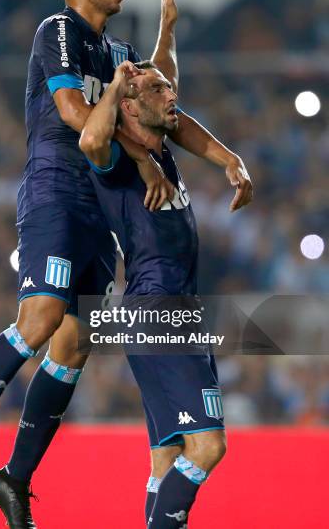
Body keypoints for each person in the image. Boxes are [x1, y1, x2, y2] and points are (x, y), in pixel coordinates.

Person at [0, 0, 178, 526]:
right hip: (56, 191)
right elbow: (71, 112)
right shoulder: (57, 31)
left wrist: (167, 29)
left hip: (102, 207)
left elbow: (160, 92)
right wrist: (141, 159)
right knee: (40, 319)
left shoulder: (118, 49)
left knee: (74, 341)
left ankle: (13, 476)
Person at [79, 60, 252, 527]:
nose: (171, 94)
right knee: (209, 446)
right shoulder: (118, 160)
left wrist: (168, 23)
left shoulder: (161, 150)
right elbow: (91, 139)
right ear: (129, 107)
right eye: (158, 90)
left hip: (169, 310)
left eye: (170, 88)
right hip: (159, 308)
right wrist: (116, 84)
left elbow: (160, 70)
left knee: (167, 454)